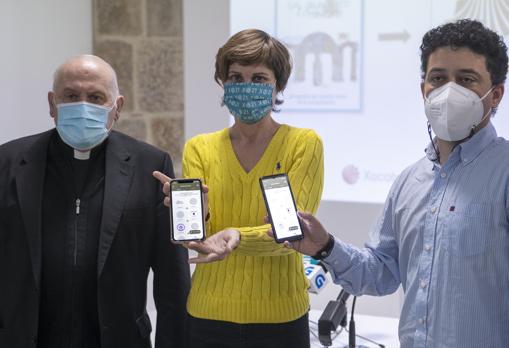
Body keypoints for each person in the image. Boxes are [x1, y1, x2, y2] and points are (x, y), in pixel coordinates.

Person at [276, 19, 509, 347]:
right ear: (423, 89)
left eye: (467, 80)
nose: (448, 91)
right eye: (438, 78)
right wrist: (324, 246)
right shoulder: (409, 181)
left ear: (495, 94)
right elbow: (380, 273)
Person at [0, 55, 190, 348]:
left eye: (96, 97)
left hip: (120, 338)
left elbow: (172, 280)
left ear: (118, 107)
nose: (83, 105)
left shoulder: (150, 165)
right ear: (52, 104)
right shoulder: (8, 163)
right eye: (71, 96)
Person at [154, 29, 324, 348]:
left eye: (259, 78)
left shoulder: (303, 144)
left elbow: (290, 235)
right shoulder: (199, 148)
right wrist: (196, 217)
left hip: (281, 317)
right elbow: (199, 241)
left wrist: (235, 236)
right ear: (223, 83)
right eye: (236, 77)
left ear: (278, 85)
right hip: (208, 315)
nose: (246, 87)